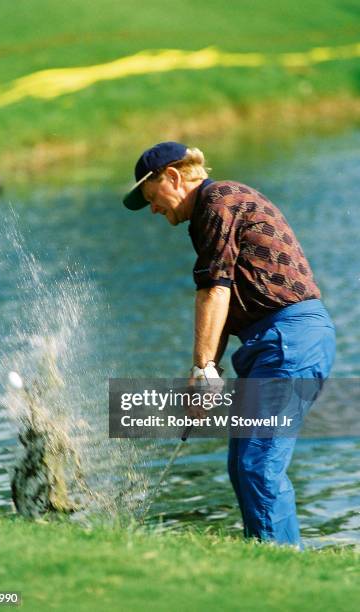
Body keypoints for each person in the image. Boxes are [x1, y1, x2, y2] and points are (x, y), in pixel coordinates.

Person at [122, 141, 336, 547]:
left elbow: (213, 291)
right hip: (272, 343)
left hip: (289, 340)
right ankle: (271, 558)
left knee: (258, 464)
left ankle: (282, 568)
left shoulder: (217, 200)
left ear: (173, 177)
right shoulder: (208, 212)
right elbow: (222, 296)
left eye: (153, 198)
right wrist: (211, 371)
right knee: (243, 464)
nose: (153, 209)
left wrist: (201, 369)